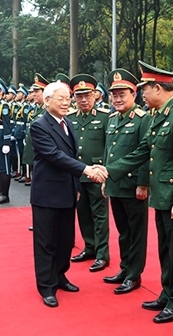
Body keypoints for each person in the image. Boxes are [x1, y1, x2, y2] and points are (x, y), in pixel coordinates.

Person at [102, 61, 173, 324]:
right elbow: (141, 152)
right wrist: (109, 170)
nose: (142, 94)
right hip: (162, 198)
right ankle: (167, 293)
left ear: (158, 88)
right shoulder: (160, 115)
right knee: (166, 250)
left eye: (144, 89)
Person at [30, 81, 107, 308]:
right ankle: (46, 286)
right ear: (47, 101)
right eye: (61, 99)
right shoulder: (39, 126)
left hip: (67, 192)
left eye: (67, 99)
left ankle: (60, 276)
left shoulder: (68, 124)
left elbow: (71, 154)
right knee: (46, 242)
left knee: (65, 241)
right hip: (46, 194)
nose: (66, 103)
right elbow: (55, 156)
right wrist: (86, 170)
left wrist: (76, 187)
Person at [101, 68, 150, 294]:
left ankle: (134, 275)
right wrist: (105, 178)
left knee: (136, 232)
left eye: (122, 94)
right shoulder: (112, 119)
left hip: (133, 187)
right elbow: (108, 152)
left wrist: (143, 184)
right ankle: (124, 268)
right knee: (122, 231)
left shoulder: (143, 119)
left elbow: (146, 154)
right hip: (115, 184)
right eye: (114, 95)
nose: (117, 99)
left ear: (134, 94)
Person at [68, 73, 111, 272]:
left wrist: (106, 174)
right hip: (79, 174)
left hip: (97, 175)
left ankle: (102, 254)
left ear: (95, 95)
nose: (83, 100)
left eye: (87, 95)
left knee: (100, 216)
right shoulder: (69, 119)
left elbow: (109, 147)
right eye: (79, 96)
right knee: (83, 213)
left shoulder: (105, 117)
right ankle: (89, 247)